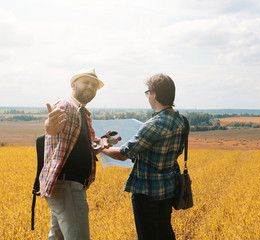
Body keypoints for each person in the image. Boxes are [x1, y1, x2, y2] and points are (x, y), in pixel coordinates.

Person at [102, 73, 186, 240]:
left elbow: (123, 154)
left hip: (147, 193)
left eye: (148, 93)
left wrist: (101, 146)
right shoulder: (181, 120)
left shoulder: (154, 124)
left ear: (154, 93)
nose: (148, 97)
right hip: (169, 189)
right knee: (165, 233)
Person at [40, 68, 114, 240]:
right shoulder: (66, 106)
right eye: (86, 82)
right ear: (73, 85)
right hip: (68, 186)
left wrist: (101, 143)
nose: (90, 87)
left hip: (67, 186)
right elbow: (51, 127)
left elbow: (78, 146)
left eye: (94, 85)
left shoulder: (82, 112)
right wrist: (48, 126)